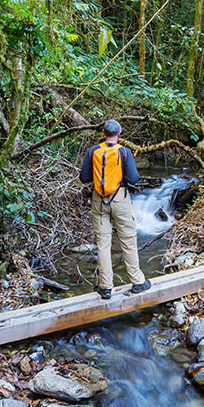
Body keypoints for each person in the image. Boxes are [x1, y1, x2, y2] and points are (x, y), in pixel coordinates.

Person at [79, 119, 152, 299]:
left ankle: (105, 287)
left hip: (99, 200)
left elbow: (84, 178)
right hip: (120, 198)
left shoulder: (93, 151)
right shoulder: (124, 152)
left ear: (103, 132)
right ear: (119, 133)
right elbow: (134, 179)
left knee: (103, 243)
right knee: (128, 239)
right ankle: (137, 281)